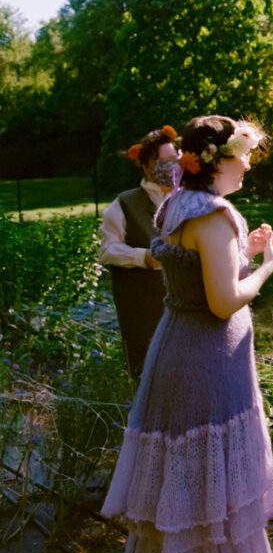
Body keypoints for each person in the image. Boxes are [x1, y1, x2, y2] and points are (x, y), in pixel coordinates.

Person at [102, 115, 273, 553]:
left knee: (184, 479)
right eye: (244, 154)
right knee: (212, 485)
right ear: (218, 160)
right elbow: (224, 300)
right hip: (207, 359)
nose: (249, 163)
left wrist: (242, 251)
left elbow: (199, 270)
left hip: (172, 347)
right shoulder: (216, 214)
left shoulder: (176, 205)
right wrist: (268, 265)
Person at [99, 125, 179, 374]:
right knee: (147, 371)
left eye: (173, 160)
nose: (168, 167)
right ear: (145, 166)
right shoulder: (124, 203)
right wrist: (144, 257)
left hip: (186, 307)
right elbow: (107, 250)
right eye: (161, 162)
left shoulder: (189, 197)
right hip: (144, 306)